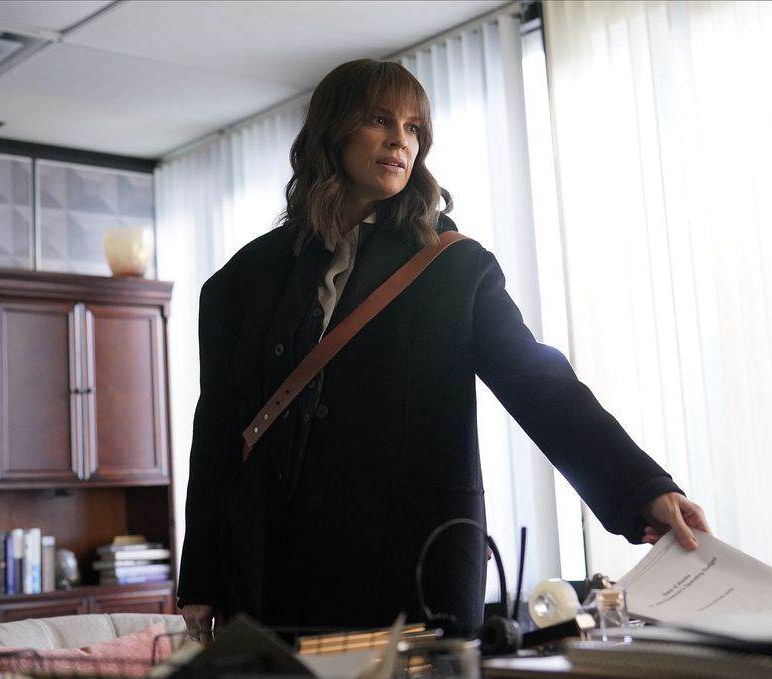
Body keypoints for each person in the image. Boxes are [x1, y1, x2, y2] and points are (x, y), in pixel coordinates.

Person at [178, 59, 711, 642]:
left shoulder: (455, 268)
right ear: (333, 131)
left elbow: (541, 384)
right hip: (273, 577)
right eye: (379, 120)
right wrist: (202, 577)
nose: (399, 141)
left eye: (413, 128)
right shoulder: (241, 282)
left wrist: (643, 491)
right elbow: (218, 433)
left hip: (410, 571)